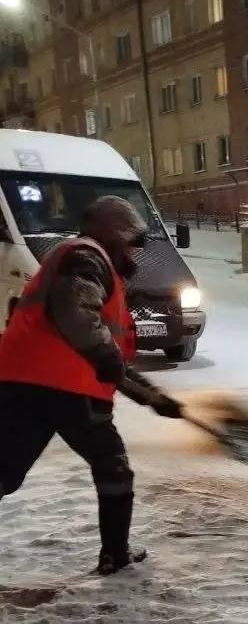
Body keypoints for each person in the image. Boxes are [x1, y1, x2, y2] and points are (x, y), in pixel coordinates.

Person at [0, 196, 183, 575]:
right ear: (115, 234)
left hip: (23, 381)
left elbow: (110, 358)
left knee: (5, 469)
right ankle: (115, 554)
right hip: (67, 386)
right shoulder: (87, 257)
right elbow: (77, 315)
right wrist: (109, 363)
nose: (134, 253)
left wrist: (152, 397)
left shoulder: (76, 257)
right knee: (112, 468)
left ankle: (115, 553)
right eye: (133, 242)